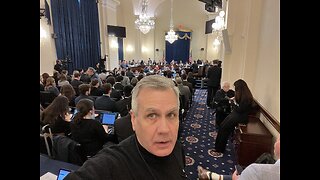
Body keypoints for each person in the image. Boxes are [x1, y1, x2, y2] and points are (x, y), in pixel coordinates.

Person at [65, 75, 187, 180]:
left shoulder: (177, 148)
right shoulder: (110, 165)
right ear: (133, 120)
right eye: (152, 115)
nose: (164, 129)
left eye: (171, 114)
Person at [198, 135, 280, 180]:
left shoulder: (257, 171)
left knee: (239, 174)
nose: (276, 140)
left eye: (279, 139)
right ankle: (210, 175)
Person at [210, 79, 253, 157]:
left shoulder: (247, 98)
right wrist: (234, 103)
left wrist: (233, 103)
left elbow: (240, 109)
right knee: (222, 126)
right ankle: (219, 147)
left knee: (224, 128)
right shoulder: (244, 95)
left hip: (241, 116)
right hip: (237, 114)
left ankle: (219, 148)